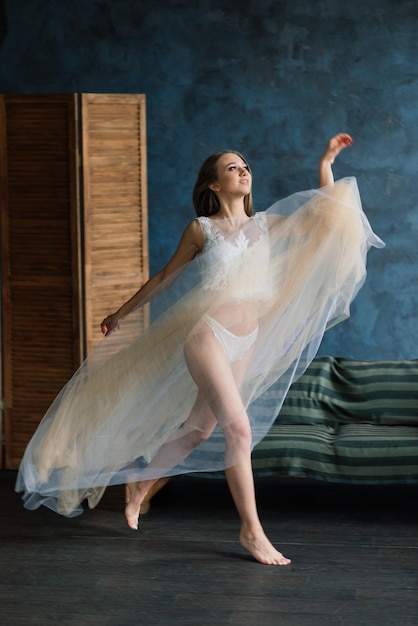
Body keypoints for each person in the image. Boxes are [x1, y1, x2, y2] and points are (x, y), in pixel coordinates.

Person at [16, 133, 384, 566]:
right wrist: (120, 313)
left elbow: (326, 213)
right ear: (213, 185)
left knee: (198, 431)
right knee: (240, 431)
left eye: (245, 166)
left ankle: (140, 483)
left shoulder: (267, 224)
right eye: (232, 167)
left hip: (245, 341)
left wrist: (326, 163)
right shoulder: (201, 230)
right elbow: (163, 278)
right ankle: (251, 531)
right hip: (208, 335)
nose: (243, 171)